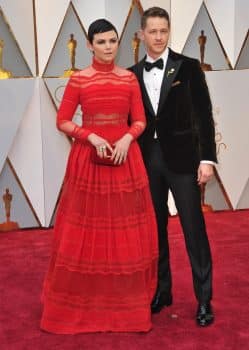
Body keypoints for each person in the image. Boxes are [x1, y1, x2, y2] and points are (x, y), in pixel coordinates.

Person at [40, 19, 158, 334]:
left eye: (112, 41)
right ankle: (85, 301)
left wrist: (127, 138)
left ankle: (125, 306)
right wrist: (89, 136)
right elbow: (62, 120)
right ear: (89, 45)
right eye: (101, 42)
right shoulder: (79, 80)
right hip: (88, 162)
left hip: (124, 159)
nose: (108, 47)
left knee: (123, 233)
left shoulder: (129, 80)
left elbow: (141, 120)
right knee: (85, 233)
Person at [129, 7, 217, 327]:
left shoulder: (189, 67)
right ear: (142, 34)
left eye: (163, 31)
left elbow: (203, 115)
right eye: (152, 31)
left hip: (183, 160)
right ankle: (162, 291)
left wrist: (207, 159)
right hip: (146, 160)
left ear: (169, 31)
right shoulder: (132, 73)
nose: (158, 37)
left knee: (194, 230)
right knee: (155, 231)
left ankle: (204, 300)